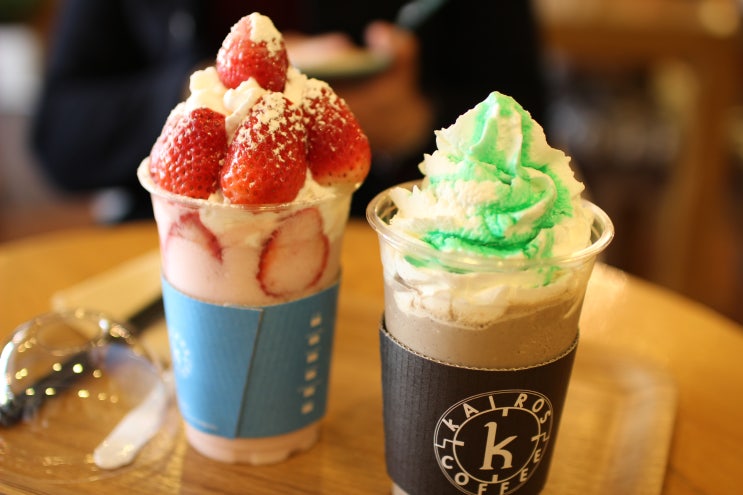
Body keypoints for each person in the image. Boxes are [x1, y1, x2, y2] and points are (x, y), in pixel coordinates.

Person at [31, 0, 546, 221]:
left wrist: (412, 121)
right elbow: (59, 136)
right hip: (163, 247)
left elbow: (523, 123)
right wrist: (208, 96)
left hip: (377, 241)